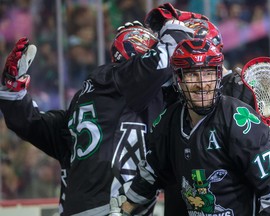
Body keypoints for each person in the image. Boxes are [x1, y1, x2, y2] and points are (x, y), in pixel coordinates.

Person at [0, 17, 197, 215]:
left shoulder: (89, 104)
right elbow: (161, 65)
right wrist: (175, 31)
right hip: (109, 208)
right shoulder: (121, 80)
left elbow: (32, 124)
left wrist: (12, 91)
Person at [115, 38, 270, 215]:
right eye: (192, 74)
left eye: (208, 73)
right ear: (179, 79)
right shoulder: (168, 121)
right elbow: (151, 174)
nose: (202, 84)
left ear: (218, 76)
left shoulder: (240, 120)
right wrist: (123, 210)